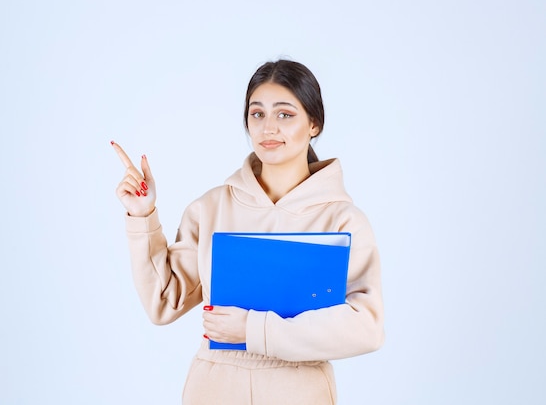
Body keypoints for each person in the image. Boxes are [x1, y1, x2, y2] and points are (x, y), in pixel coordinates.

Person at [112, 59, 384, 405]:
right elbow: (163, 302)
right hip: (215, 387)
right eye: (257, 114)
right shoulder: (210, 208)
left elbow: (367, 327)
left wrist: (255, 331)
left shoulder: (343, 220)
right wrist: (143, 217)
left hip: (300, 390)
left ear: (314, 124)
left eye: (285, 114)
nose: (268, 127)